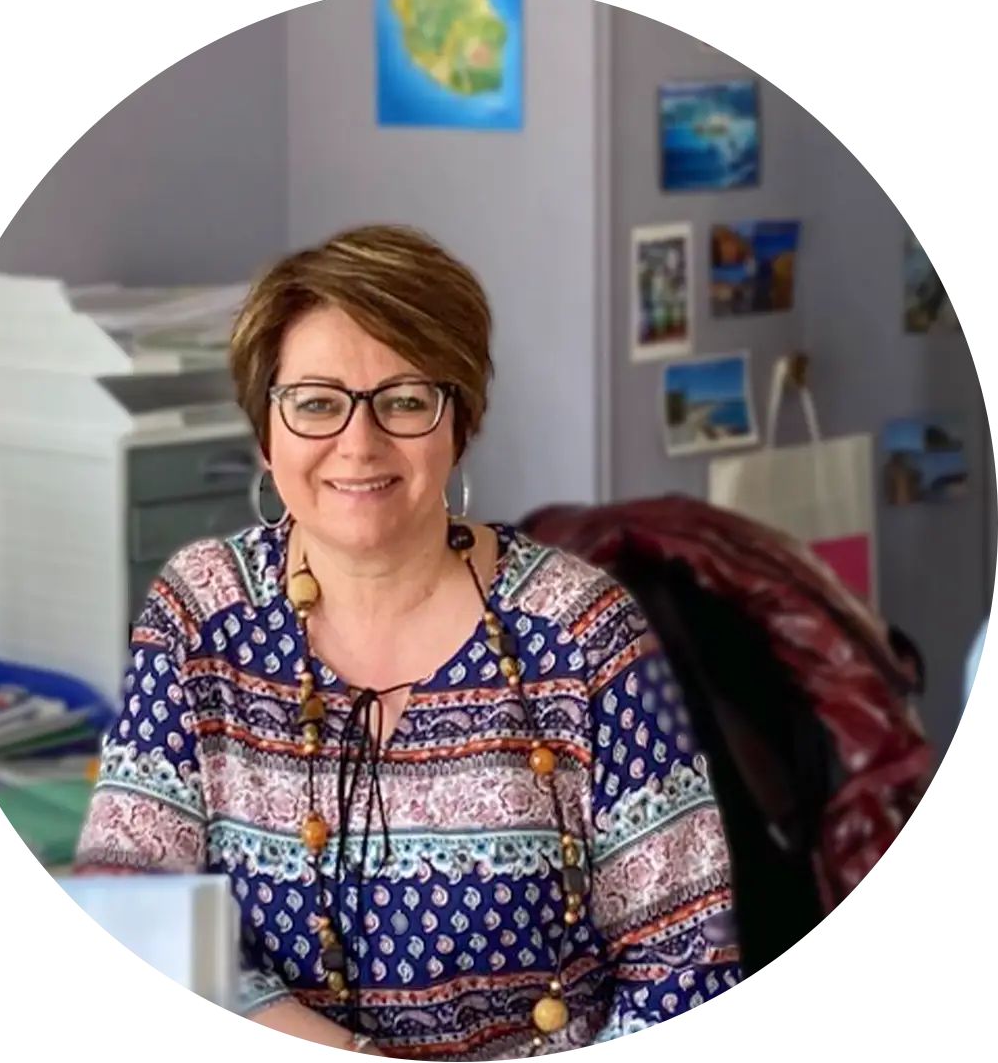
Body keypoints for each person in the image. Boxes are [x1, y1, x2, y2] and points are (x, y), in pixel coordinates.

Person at [74, 224, 742, 1059]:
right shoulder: (202, 612)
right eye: (316, 402)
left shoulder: (583, 632)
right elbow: (132, 904)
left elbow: (687, 966)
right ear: (265, 429)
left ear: (459, 420)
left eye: (404, 400)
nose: (359, 443)